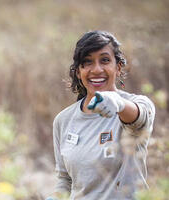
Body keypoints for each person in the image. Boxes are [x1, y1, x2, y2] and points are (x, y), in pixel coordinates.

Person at [46, 31, 155, 200]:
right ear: (78, 72)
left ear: (118, 67)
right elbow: (65, 179)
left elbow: (139, 118)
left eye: (104, 60)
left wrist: (117, 102)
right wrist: (57, 197)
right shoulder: (63, 120)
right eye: (87, 62)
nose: (96, 69)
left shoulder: (135, 105)